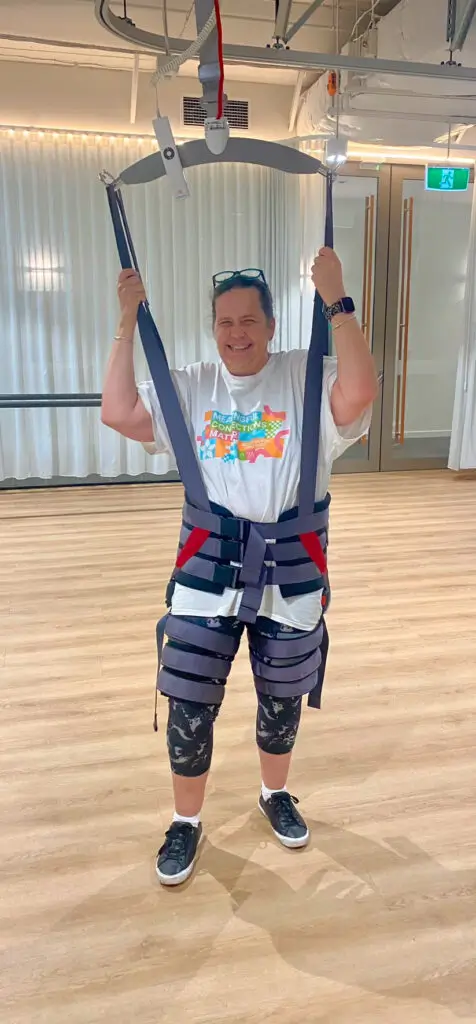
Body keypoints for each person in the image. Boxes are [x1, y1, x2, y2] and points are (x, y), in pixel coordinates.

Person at [101, 249, 378, 886]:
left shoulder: (306, 375)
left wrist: (337, 300)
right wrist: (126, 319)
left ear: (271, 325)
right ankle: (186, 821)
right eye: (225, 322)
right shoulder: (194, 385)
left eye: (249, 319)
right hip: (208, 571)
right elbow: (117, 411)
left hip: (292, 570)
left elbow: (361, 391)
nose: (237, 333)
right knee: (189, 699)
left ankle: (274, 793)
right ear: (213, 328)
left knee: (282, 698)